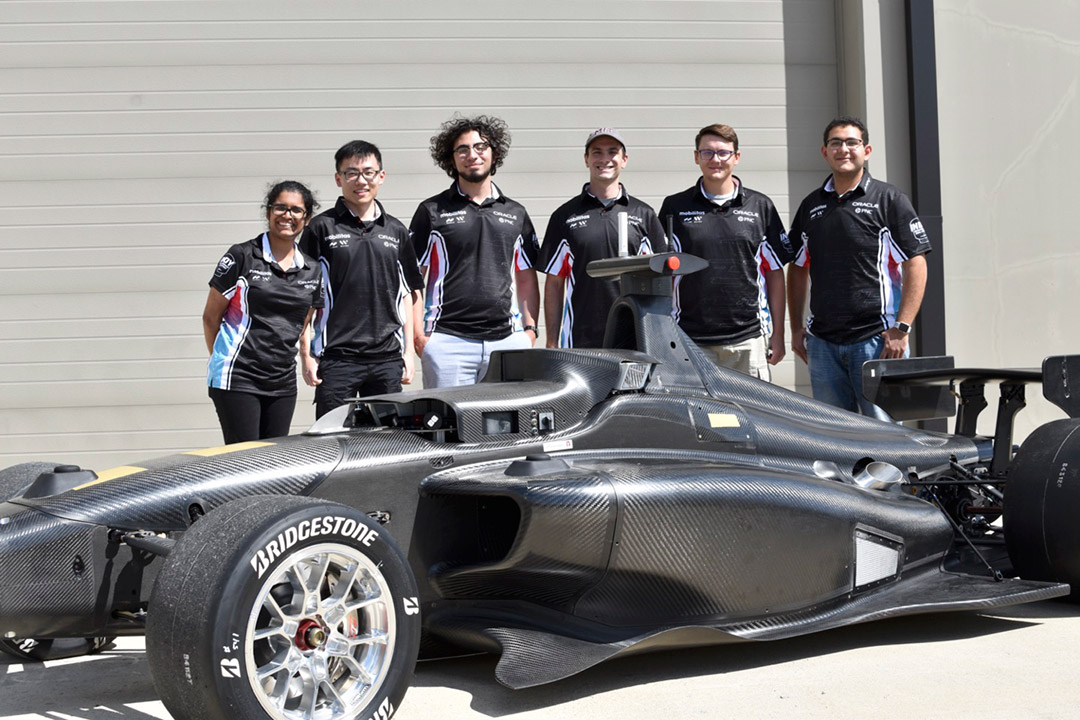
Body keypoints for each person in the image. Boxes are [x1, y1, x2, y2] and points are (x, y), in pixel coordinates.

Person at [787, 116, 931, 419]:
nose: (844, 149)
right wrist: (796, 326)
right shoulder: (811, 206)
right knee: (834, 436)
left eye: (852, 142)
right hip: (823, 344)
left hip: (877, 341)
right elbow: (797, 267)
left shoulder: (889, 200)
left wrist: (901, 328)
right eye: (835, 143)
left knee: (885, 437)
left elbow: (916, 262)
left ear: (866, 150)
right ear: (825, 152)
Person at [410, 114, 541, 387]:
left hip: (508, 342)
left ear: (494, 153)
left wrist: (529, 331)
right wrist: (420, 336)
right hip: (447, 342)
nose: (473, 155)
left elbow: (526, 277)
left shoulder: (516, 213)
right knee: (449, 428)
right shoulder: (431, 211)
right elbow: (413, 280)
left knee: (507, 427)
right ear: (452, 158)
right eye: (463, 149)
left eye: (481, 147)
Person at [658, 124, 794, 380]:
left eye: (723, 153)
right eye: (707, 152)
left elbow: (775, 274)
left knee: (753, 417)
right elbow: (661, 274)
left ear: (736, 157)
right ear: (696, 157)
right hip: (689, 340)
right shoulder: (674, 206)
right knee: (696, 418)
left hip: (748, 341)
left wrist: (778, 334)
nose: (715, 159)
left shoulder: (760, 206)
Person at [299, 140, 424, 418]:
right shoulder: (321, 228)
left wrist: (407, 353)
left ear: (381, 176)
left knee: (387, 440)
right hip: (337, 359)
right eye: (351, 173)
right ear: (338, 178)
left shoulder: (396, 230)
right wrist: (305, 353)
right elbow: (304, 296)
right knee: (332, 441)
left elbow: (407, 294)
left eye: (368, 172)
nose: (360, 180)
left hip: (386, 359)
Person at [203, 181, 323, 443]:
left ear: (307, 217)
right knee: (243, 463)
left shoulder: (312, 269)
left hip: (282, 381)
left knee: (273, 465)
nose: (287, 216)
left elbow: (303, 323)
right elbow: (210, 317)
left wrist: (306, 359)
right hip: (239, 377)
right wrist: (221, 359)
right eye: (280, 208)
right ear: (268, 212)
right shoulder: (242, 256)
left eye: (296, 210)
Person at [538, 128, 666, 348]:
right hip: (580, 339)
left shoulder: (644, 214)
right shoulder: (565, 216)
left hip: (634, 339)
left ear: (624, 160)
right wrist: (551, 342)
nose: (605, 159)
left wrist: (660, 338)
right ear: (586, 159)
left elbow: (662, 280)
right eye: (597, 152)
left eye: (612, 152)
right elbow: (555, 283)